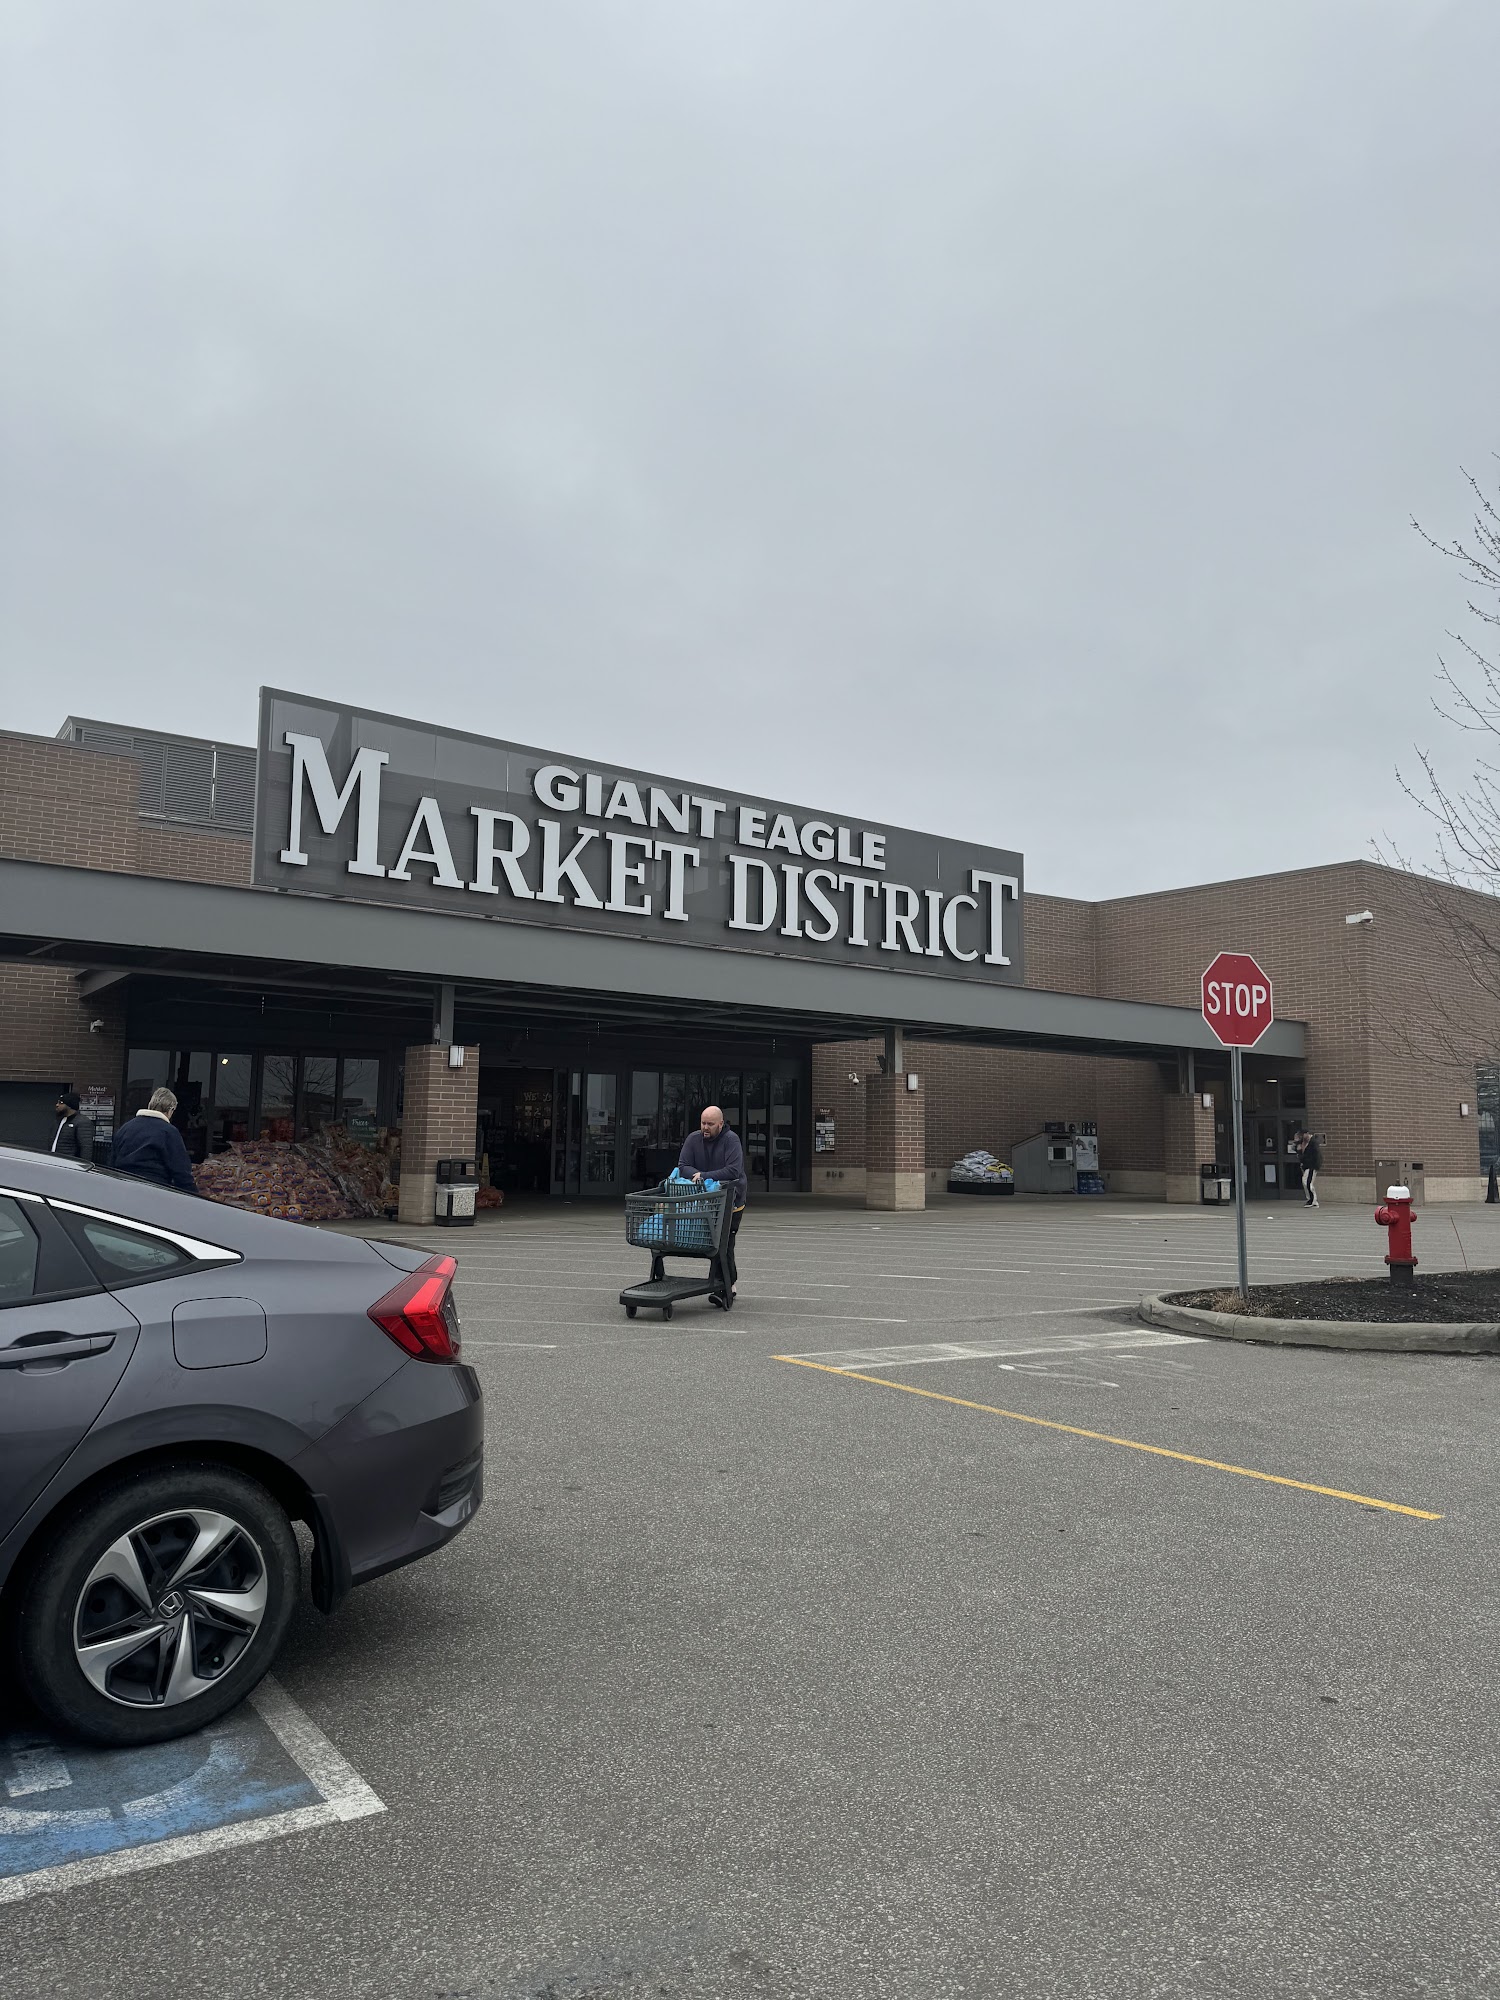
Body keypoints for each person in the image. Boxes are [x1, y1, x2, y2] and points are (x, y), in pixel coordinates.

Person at [678, 1104, 746, 1307]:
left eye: (710, 1124)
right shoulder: (693, 1139)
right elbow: (683, 1166)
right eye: (703, 1123)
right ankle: (725, 1284)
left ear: (721, 1124)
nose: (705, 1127)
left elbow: (733, 1170)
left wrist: (704, 1176)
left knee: (724, 1243)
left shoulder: (731, 1140)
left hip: (731, 1199)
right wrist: (698, 1176)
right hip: (704, 1200)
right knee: (711, 1242)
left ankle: (726, 1285)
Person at [110, 1086, 197, 1193]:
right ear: (171, 1110)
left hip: (122, 1187)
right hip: (154, 1190)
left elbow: (111, 1162)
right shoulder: (169, 1132)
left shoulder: (125, 1128)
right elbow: (181, 1171)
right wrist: (193, 1195)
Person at [50, 1091, 88, 1158]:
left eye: (61, 1103)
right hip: (55, 1160)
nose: (57, 1105)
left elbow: (86, 1148)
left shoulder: (82, 1122)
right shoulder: (59, 1121)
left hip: (69, 1163)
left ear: (69, 1105)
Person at [1298, 1129, 1322, 1207]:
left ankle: (1313, 1200)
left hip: (1312, 1165)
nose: (1302, 1137)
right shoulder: (1304, 1143)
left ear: (1307, 1134)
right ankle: (1311, 1199)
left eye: (1303, 1135)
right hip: (1307, 1165)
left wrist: (1316, 1165)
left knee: (1307, 1182)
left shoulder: (1313, 1143)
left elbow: (1317, 1155)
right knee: (1305, 1181)